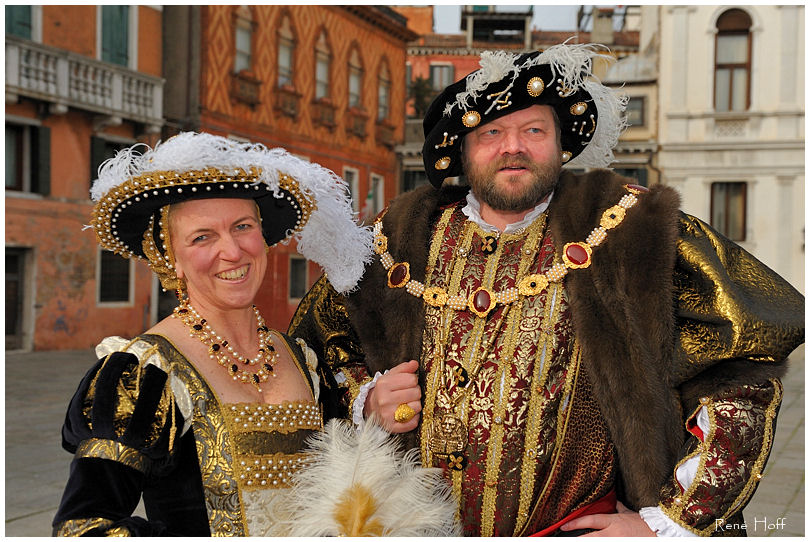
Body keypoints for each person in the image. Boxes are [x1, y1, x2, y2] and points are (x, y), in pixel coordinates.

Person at [289, 43, 805, 536]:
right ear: (464, 152)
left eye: (533, 129)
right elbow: (315, 353)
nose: (512, 147)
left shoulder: (632, 228)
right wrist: (367, 399)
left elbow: (743, 365)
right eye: (491, 132)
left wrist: (670, 520)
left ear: (561, 144)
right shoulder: (399, 238)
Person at [52, 132, 376, 536]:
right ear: (172, 258)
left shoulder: (304, 359)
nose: (233, 252)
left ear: (263, 236)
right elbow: (83, 526)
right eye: (202, 237)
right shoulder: (144, 375)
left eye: (242, 227)